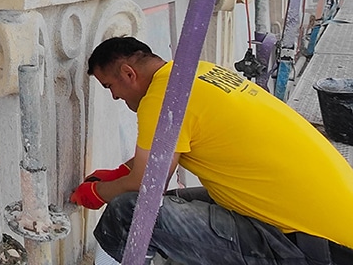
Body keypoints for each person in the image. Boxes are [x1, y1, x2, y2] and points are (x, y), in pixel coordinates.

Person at [70, 36, 353, 265]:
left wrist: (96, 192)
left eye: (109, 86)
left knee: (129, 212)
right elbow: (163, 149)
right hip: (332, 225)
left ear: (128, 73)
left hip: (315, 248)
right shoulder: (198, 72)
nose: (114, 96)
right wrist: (121, 172)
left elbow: (146, 184)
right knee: (169, 207)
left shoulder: (162, 98)